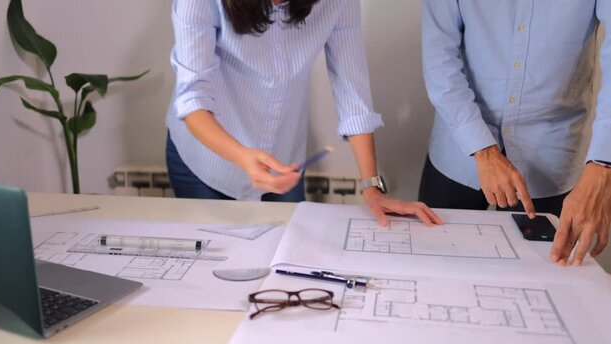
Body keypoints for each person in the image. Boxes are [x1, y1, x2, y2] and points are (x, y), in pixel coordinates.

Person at [165, 0, 443, 226]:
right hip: (206, 160)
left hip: (282, 157)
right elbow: (192, 97)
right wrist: (242, 157)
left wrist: (371, 186)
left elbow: (352, 94)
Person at [418, 0, 611, 266]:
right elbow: (439, 59)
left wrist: (602, 168)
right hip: (457, 151)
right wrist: (482, 149)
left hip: (551, 156)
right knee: (436, 270)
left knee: (545, 286)